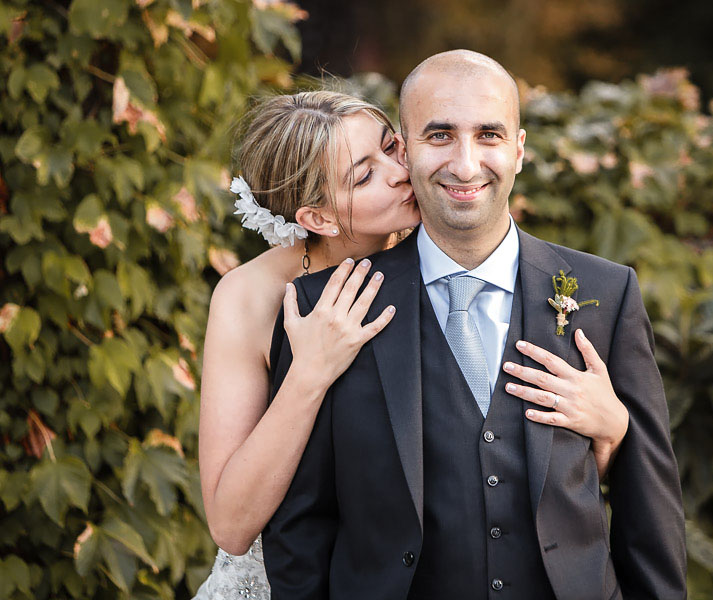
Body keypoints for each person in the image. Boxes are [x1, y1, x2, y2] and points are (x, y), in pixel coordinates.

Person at [264, 52, 686, 600]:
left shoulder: (605, 293)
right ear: (405, 148)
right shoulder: (327, 310)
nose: (466, 164)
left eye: (489, 134)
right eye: (440, 135)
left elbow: (650, 506)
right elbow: (300, 527)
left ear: (519, 148)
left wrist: (617, 428)